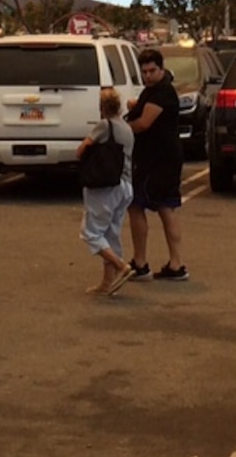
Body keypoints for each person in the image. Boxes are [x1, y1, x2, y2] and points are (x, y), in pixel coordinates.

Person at [125, 49, 188, 281]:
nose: (148, 75)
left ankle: (165, 264)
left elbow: (143, 124)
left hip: (160, 161)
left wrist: (118, 128)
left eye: (152, 71)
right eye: (144, 72)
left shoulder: (162, 93)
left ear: (161, 69)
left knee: (160, 207)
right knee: (145, 206)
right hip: (151, 159)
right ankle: (150, 262)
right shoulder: (151, 91)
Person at [77, 89, 135, 295]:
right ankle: (107, 283)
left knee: (91, 232)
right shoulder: (127, 128)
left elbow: (84, 147)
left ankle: (121, 266)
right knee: (111, 233)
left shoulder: (104, 125)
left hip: (105, 186)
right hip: (126, 185)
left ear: (102, 108)